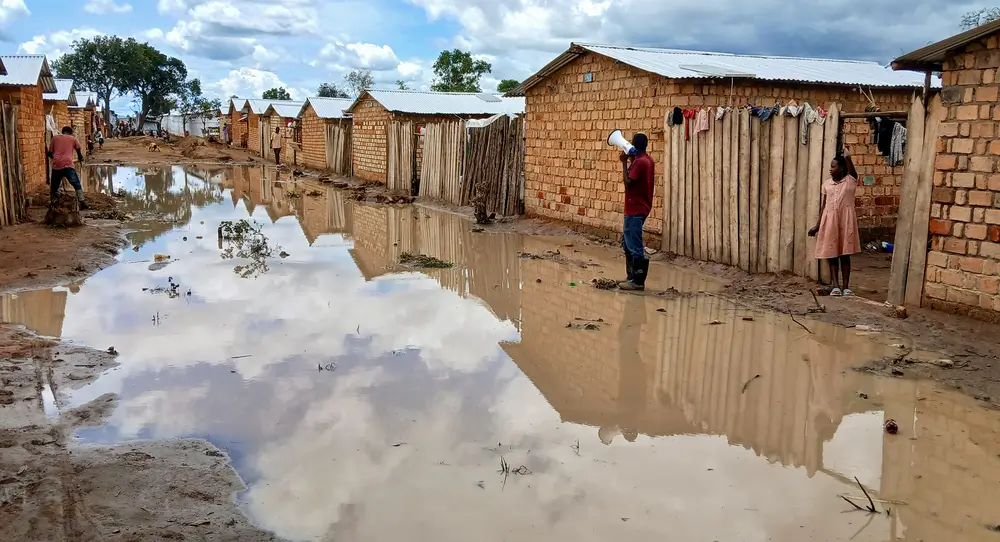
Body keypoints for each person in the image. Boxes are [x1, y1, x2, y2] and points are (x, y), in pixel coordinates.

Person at [808, 148, 860, 296]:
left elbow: (853, 172)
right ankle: (836, 286)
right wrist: (817, 226)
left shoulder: (850, 181)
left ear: (841, 168)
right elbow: (824, 205)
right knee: (832, 253)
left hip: (846, 221)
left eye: (833, 166)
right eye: (830, 166)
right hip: (830, 220)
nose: (830, 169)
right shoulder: (826, 184)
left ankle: (846, 287)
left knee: (845, 254)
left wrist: (848, 158)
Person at [617, 133, 654, 291]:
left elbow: (628, 183)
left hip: (634, 209)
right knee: (627, 243)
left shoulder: (639, 163)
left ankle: (637, 281)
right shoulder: (648, 160)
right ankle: (631, 276)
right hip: (641, 207)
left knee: (634, 245)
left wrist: (624, 164)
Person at [47, 126, 88, 209]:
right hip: (68, 164)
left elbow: (49, 153)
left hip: (57, 165)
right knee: (76, 183)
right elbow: (78, 151)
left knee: (54, 186)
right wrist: (81, 159)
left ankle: (53, 201)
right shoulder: (73, 139)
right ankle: (82, 201)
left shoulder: (55, 138)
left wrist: (55, 158)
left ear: (63, 131)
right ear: (70, 133)